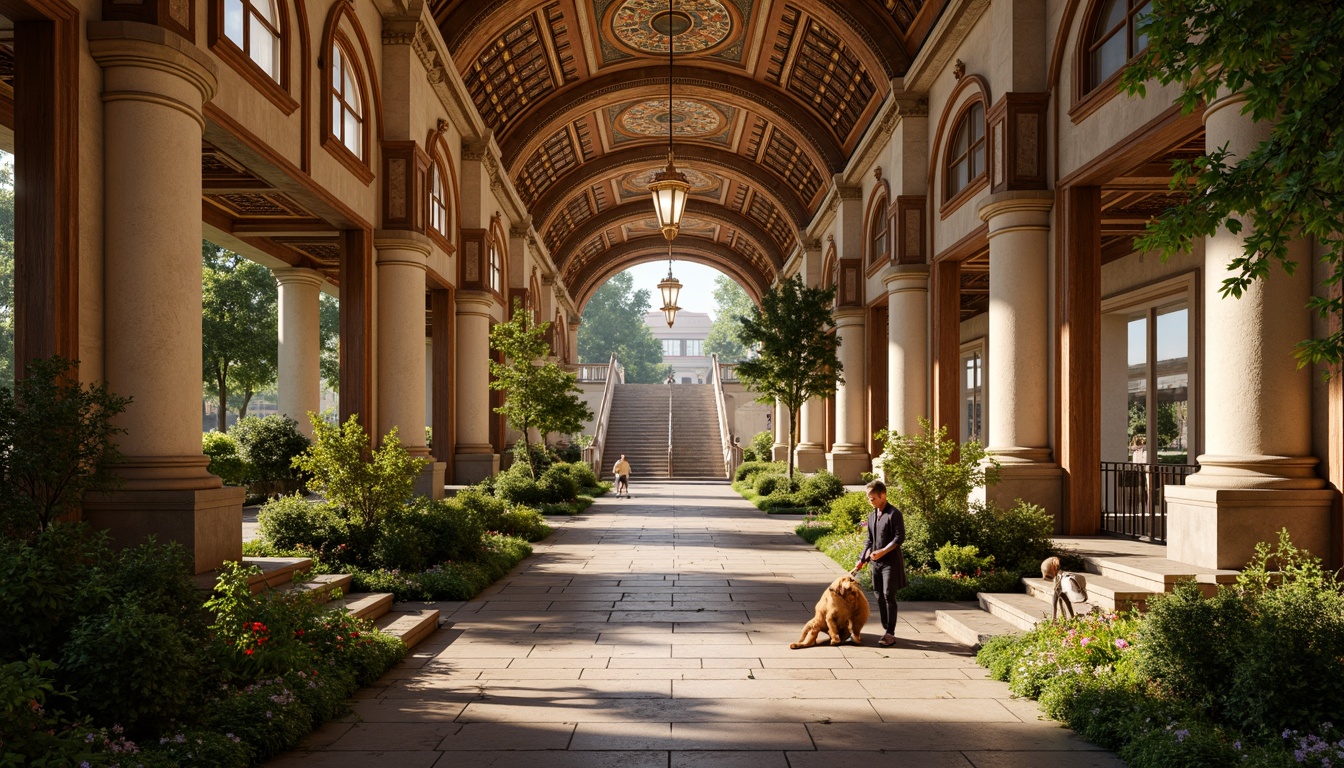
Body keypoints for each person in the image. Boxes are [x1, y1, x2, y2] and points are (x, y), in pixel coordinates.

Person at [853, 479, 907, 647]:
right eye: (869, 499)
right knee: (878, 594)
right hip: (875, 564)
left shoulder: (894, 514)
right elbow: (869, 542)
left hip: (890, 562)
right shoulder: (872, 516)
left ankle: (890, 633)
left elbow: (900, 538)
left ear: (882, 495)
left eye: (872, 498)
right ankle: (886, 628)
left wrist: (883, 551)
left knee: (888, 595)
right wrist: (861, 561)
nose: (870, 501)